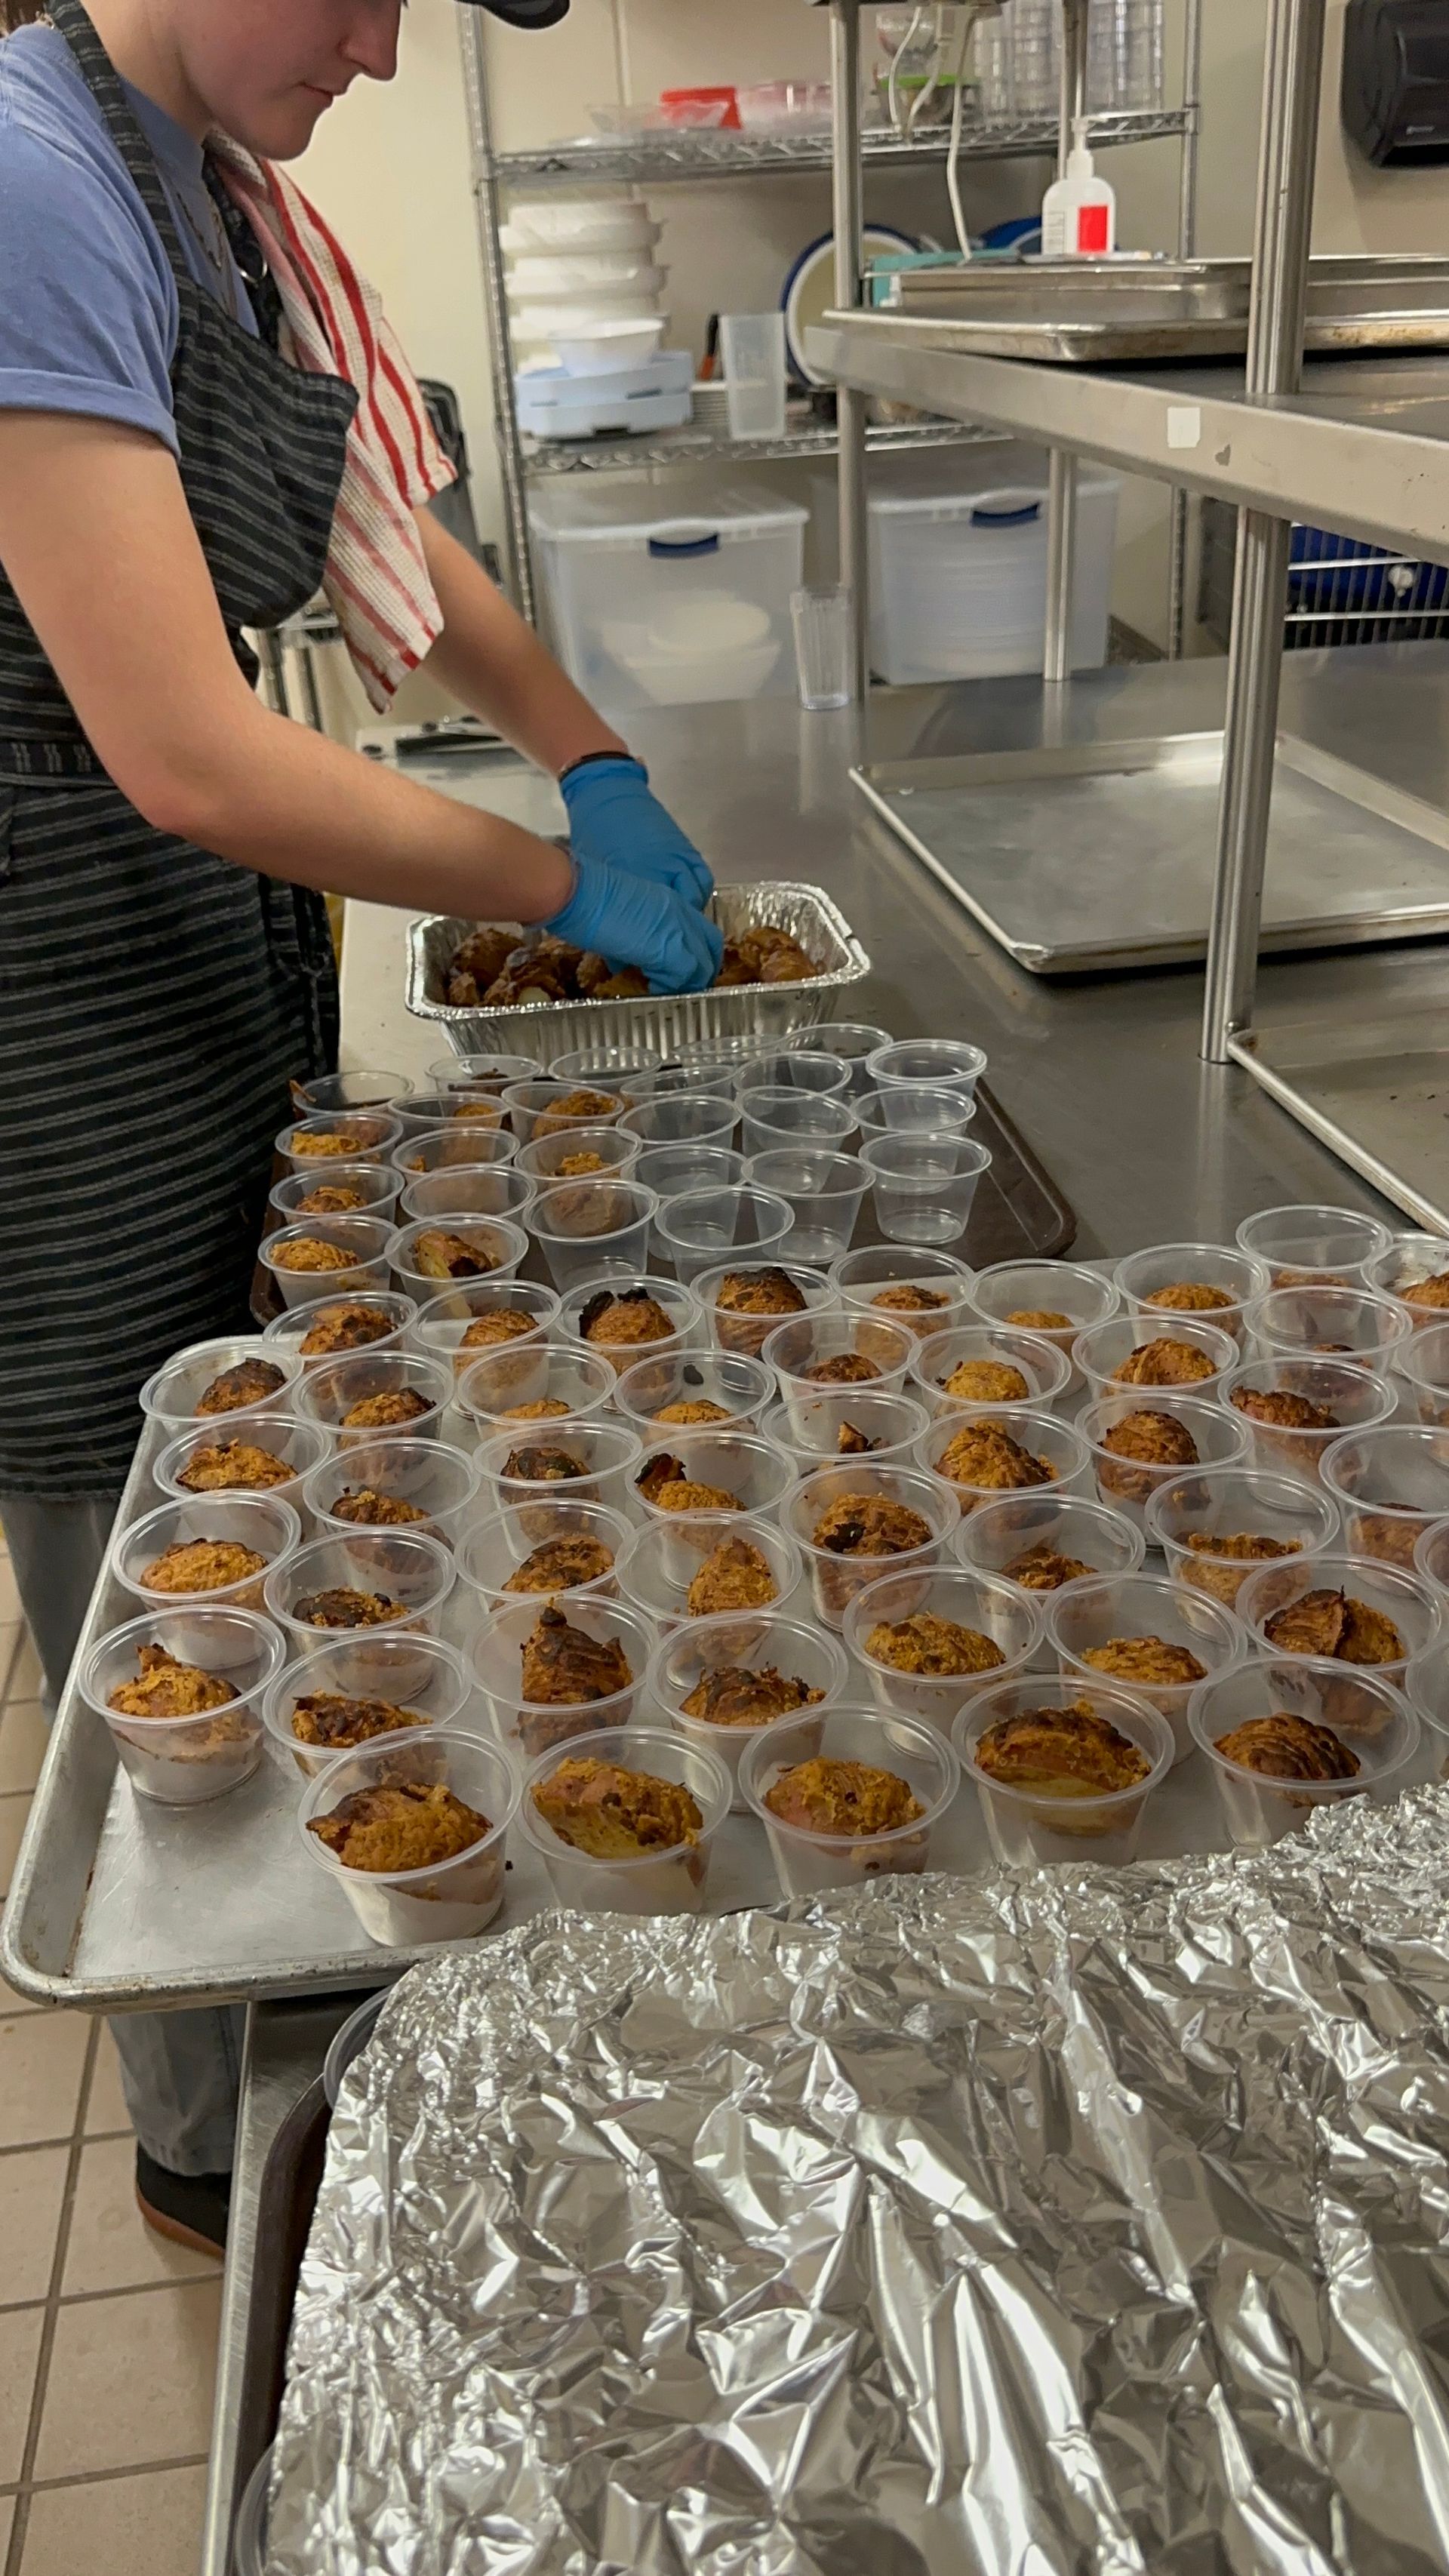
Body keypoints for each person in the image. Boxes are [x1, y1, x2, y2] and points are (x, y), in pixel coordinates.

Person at [0, 0, 721, 2255]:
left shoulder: (216, 214)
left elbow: (383, 524)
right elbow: (194, 752)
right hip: (36, 1003)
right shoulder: (28, 188)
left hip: (177, 955)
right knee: (134, 1543)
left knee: (260, 1450)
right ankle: (214, 2145)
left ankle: (334, 1977)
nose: (387, 53)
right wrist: (548, 888)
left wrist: (587, 752)